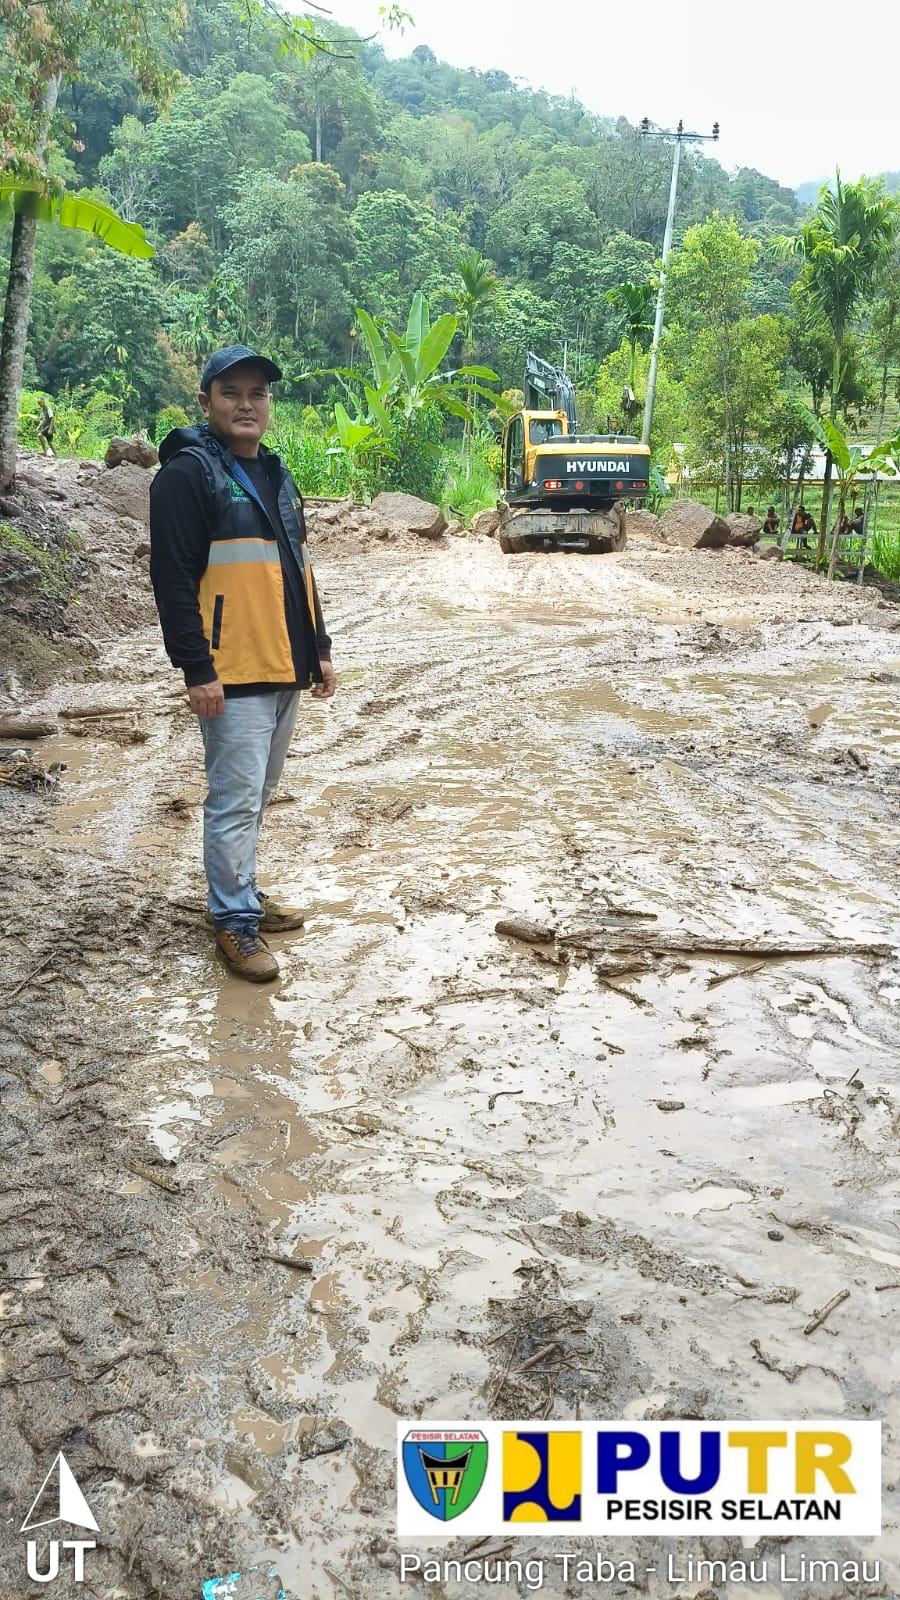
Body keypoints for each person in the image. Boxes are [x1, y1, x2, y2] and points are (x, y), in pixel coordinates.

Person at [149, 345, 336, 983]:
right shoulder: (187, 474)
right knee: (234, 800)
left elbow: (298, 570)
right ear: (206, 402)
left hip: (283, 665)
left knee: (257, 795)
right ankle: (232, 923)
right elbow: (172, 580)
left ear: (270, 406)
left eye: (258, 393)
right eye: (231, 392)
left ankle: (242, 898)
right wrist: (196, 668)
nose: (246, 404)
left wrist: (321, 648)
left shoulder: (277, 474)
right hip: (231, 671)